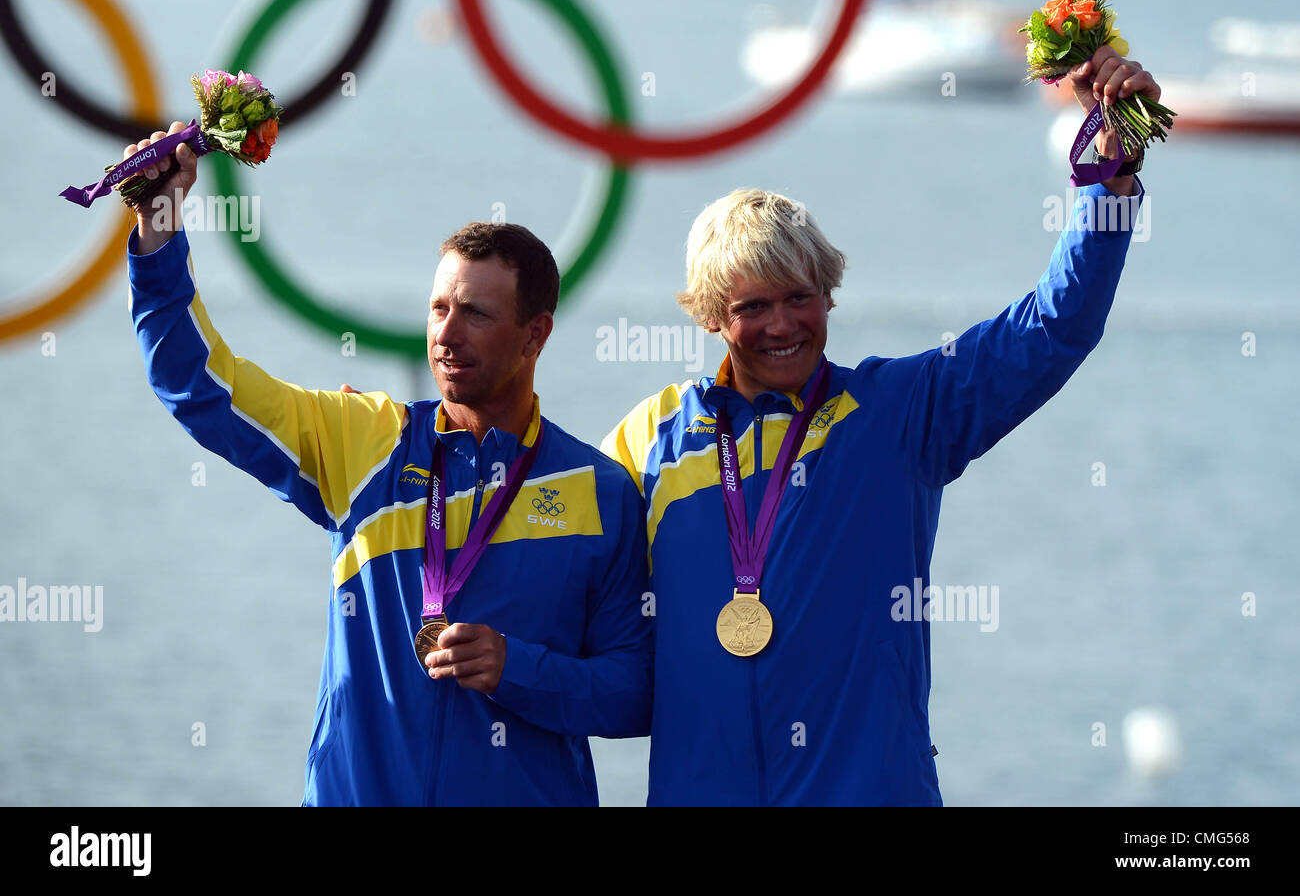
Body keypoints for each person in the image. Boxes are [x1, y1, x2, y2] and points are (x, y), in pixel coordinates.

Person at [601, 46, 1158, 805]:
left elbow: (1053, 328)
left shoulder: (903, 411)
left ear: (830, 294)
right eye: (751, 307)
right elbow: (566, 596)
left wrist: (1109, 182)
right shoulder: (648, 439)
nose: (782, 325)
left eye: (799, 296)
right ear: (707, 316)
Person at [125, 126, 651, 806]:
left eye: (476, 314)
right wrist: (159, 226)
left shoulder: (600, 490)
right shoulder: (365, 438)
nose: (445, 334)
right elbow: (197, 383)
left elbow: (637, 692)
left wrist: (515, 667)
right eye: (438, 308)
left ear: (535, 334)